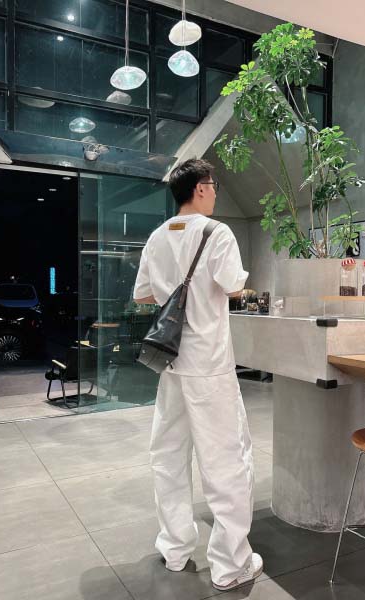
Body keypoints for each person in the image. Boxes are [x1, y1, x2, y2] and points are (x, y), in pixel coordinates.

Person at [133, 158, 262, 591]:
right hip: (208, 365)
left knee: (168, 456)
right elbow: (233, 286)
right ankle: (231, 564)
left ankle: (174, 549)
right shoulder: (217, 232)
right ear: (202, 188)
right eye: (214, 186)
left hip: (170, 363)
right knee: (226, 461)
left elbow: (144, 295)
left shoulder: (157, 236)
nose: (216, 193)